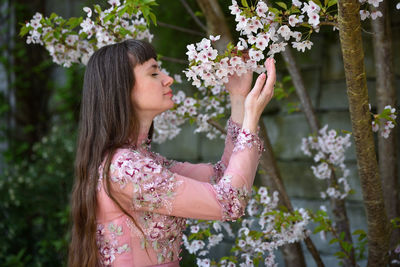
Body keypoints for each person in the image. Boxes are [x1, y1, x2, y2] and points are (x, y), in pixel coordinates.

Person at [68, 39, 276, 267]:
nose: (168, 79)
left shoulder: (138, 161)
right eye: (154, 73)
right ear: (121, 87)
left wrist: (238, 98)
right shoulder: (126, 168)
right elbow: (230, 202)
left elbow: (222, 177)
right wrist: (250, 118)